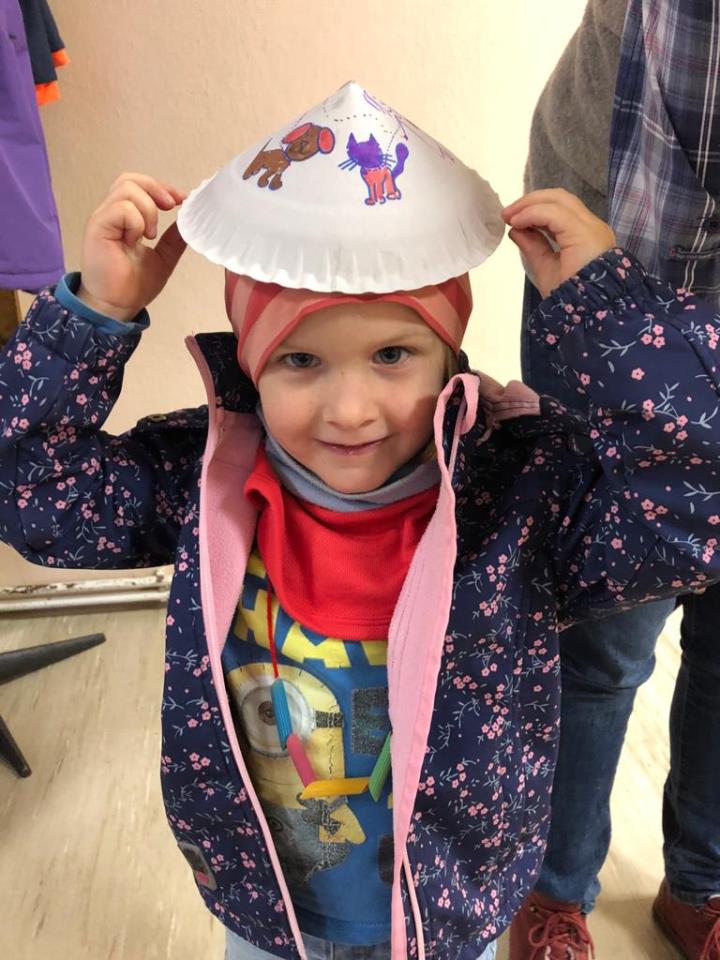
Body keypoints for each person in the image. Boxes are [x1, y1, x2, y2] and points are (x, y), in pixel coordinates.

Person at [2, 82, 720, 960]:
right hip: (269, 907)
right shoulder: (204, 476)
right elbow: (31, 495)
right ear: (250, 367)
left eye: (392, 354)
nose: (349, 410)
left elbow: (699, 505)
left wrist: (605, 312)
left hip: (450, 910)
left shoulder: (523, 497)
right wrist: (93, 315)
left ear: (449, 356)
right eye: (300, 360)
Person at [510, 2, 720, 959]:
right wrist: (609, 308)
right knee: (601, 637)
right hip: (616, 240)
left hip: (624, 268)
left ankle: (702, 881)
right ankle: (555, 888)